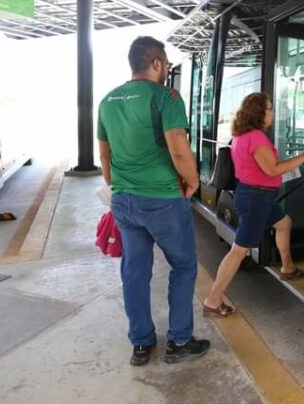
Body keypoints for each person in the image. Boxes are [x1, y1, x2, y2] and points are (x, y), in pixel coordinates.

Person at [97, 36, 209, 366]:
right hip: (162, 199)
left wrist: (120, 187)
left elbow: (105, 157)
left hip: (124, 201)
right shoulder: (166, 98)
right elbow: (178, 147)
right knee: (184, 265)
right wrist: (193, 180)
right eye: (167, 65)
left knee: (134, 271)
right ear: (157, 63)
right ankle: (179, 340)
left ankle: (142, 344)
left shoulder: (107, 101)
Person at [203, 92, 304, 317]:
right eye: (269, 109)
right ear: (258, 113)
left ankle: (287, 267)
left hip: (258, 197)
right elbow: (273, 169)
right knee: (238, 251)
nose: (272, 113)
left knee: (284, 223)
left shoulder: (241, 134)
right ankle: (213, 299)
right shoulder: (255, 137)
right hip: (256, 200)